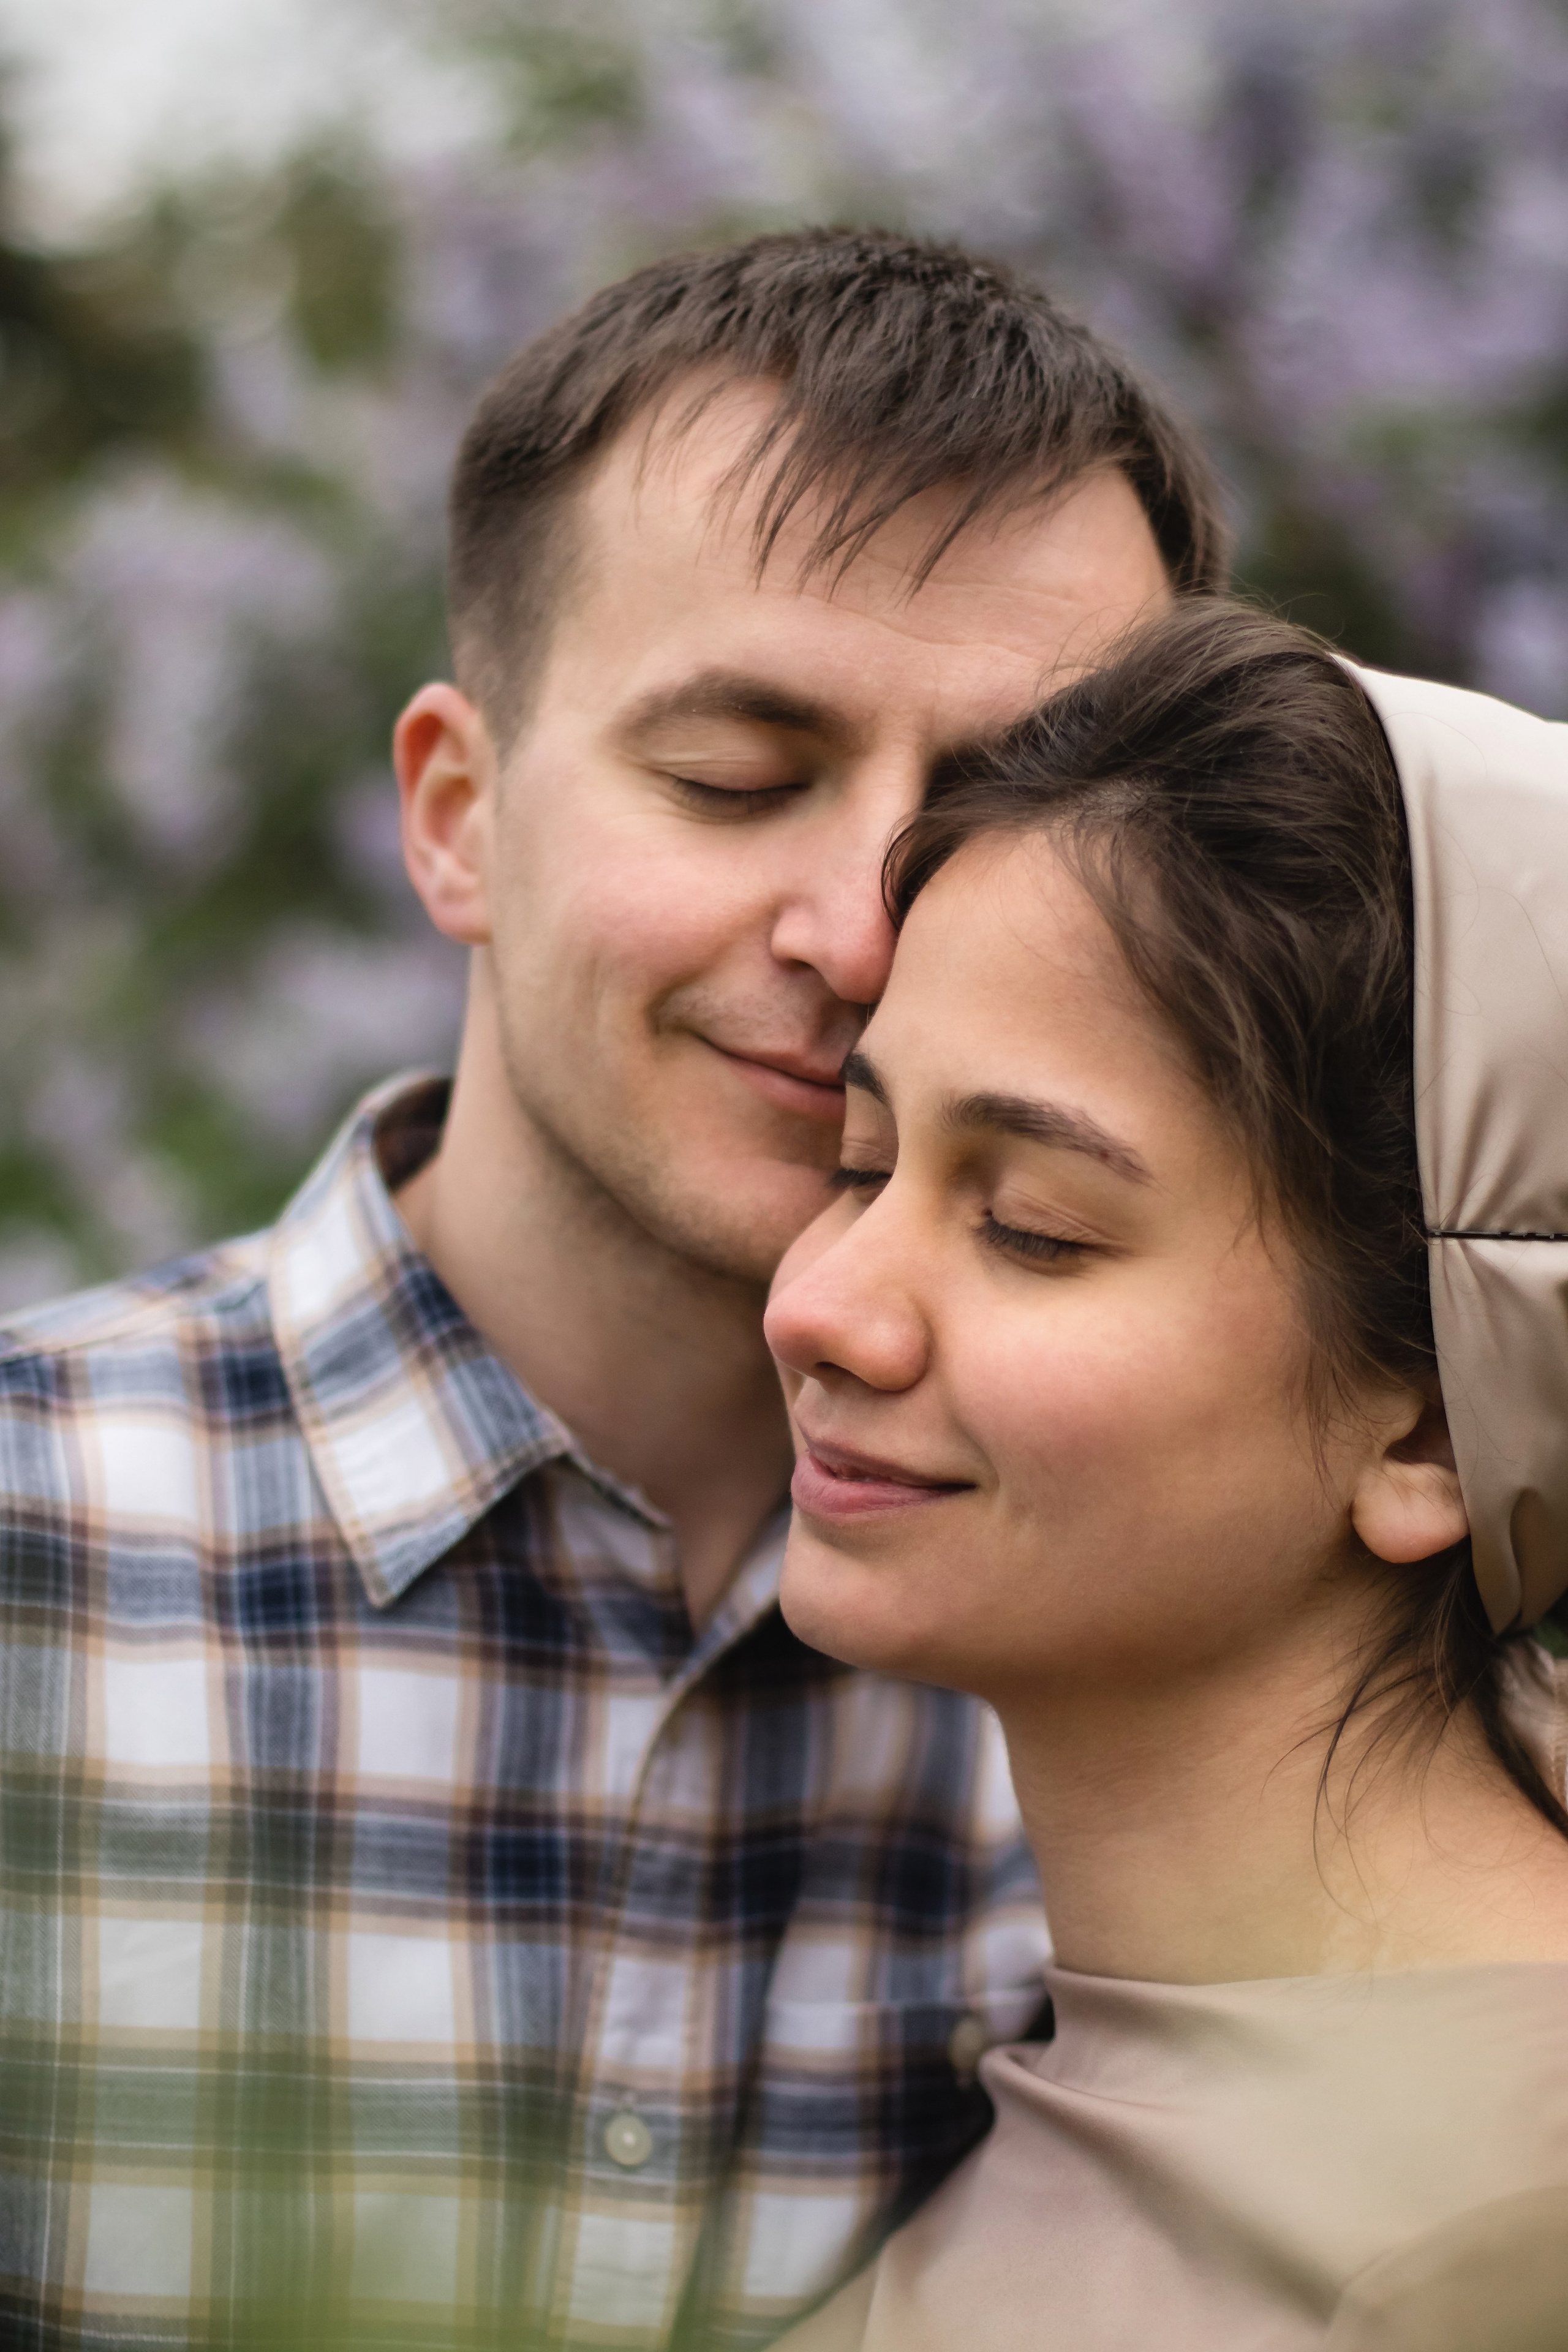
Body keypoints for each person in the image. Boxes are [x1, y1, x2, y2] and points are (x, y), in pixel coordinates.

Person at [0, 230, 1223, 2348]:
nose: (860, 926)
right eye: (737, 778)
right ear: (458, 818)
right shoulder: (38, 1562)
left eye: (1011, 822)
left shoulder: (1212, 1676)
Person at [766, 600, 1568, 2351]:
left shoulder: (1494, 2241)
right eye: (862, 1158)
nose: (820, 1309)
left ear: (1431, 1421)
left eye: (1032, 1230)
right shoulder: (1125, 2072)